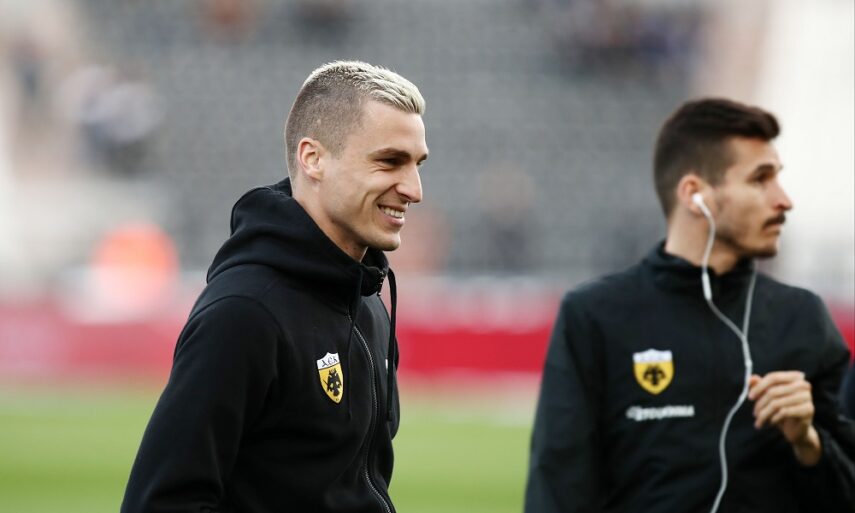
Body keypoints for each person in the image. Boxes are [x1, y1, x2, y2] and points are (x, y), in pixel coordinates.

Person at [121, 60, 428, 513]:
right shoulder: (245, 312)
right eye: (389, 161)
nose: (414, 189)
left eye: (417, 164)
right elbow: (161, 502)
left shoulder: (369, 306)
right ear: (313, 158)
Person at [525, 98, 855, 513]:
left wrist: (808, 443)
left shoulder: (804, 320)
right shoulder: (595, 317)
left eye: (778, 178)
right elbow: (557, 490)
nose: (783, 200)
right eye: (760, 179)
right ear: (695, 195)